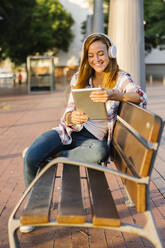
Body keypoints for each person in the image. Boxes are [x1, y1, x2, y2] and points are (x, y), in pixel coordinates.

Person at [20, 33, 147, 233]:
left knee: (99, 152)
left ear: (110, 53)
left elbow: (140, 96)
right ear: (86, 58)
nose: (96, 59)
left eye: (101, 53)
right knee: (30, 156)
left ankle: (52, 158)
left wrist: (114, 94)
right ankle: (32, 209)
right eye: (91, 55)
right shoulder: (79, 78)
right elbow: (67, 113)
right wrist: (72, 117)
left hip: (92, 142)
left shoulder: (120, 78)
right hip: (67, 133)